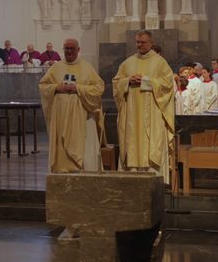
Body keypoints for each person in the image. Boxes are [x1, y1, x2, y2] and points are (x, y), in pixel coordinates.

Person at [112, 31, 175, 183]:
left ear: (151, 43)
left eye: (143, 42)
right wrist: (127, 81)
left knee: (150, 141)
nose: (139, 45)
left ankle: (153, 178)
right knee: (132, 140)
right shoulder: (127, 63)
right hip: (131, 113)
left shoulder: (160, 63)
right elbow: (116, 83)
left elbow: (167, 85)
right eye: (137, 42)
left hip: (152, 113)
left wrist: (146, 81)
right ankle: (131, 176)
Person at [39, 38, 104, 173]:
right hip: (60, 118)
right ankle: (61, 168)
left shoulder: (86, 67)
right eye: (66, 49)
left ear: (78, 50)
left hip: (81, 119)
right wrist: (57, 87)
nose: (69, 51)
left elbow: (99, 88)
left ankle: (82, 170)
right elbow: (43, 85)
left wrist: (78, 89)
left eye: (72, 49)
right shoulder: (56, 67)